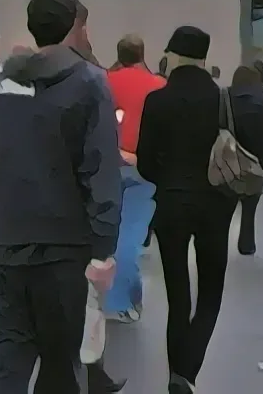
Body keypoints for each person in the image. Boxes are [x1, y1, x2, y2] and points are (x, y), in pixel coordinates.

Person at [0, 0, 120, 394]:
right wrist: (103, 252)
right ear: (74, 25)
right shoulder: (89, 82)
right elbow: (100, 173)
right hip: (63, 256)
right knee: (61, 369)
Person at [135, 27, 263, 393]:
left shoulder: (157, 101)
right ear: (204, 59)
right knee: (211, 292)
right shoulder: (224, 100)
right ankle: (186, 372)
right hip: (216, 205)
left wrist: (169, 179)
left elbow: (145, 163)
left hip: (171, 207)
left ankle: (174, 374)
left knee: (178, 298)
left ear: (175, 57)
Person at [104, 33, 165, 322]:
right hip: (145, 168)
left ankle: (132, 293)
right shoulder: (158, 86)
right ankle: (117, 302)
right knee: (130, 237)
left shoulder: (102, 81)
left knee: (113, 234)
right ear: (142, 54)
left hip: (106, 165)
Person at [229, 65, 263, 256]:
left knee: (224, 208)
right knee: (249, 207)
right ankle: (247, 244)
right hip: (254, 165)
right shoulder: (260, 104)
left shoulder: (224, 99)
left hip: (227, 163)